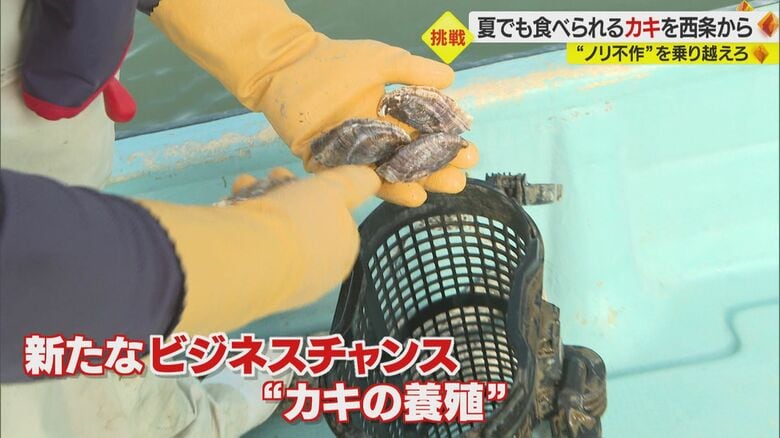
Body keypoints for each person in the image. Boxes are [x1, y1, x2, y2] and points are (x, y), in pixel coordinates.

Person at [0, 0, 479, 436]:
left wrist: (274, 50)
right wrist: (232, 261)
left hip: (35, 109)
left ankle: (159, 409)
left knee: (93, 361)